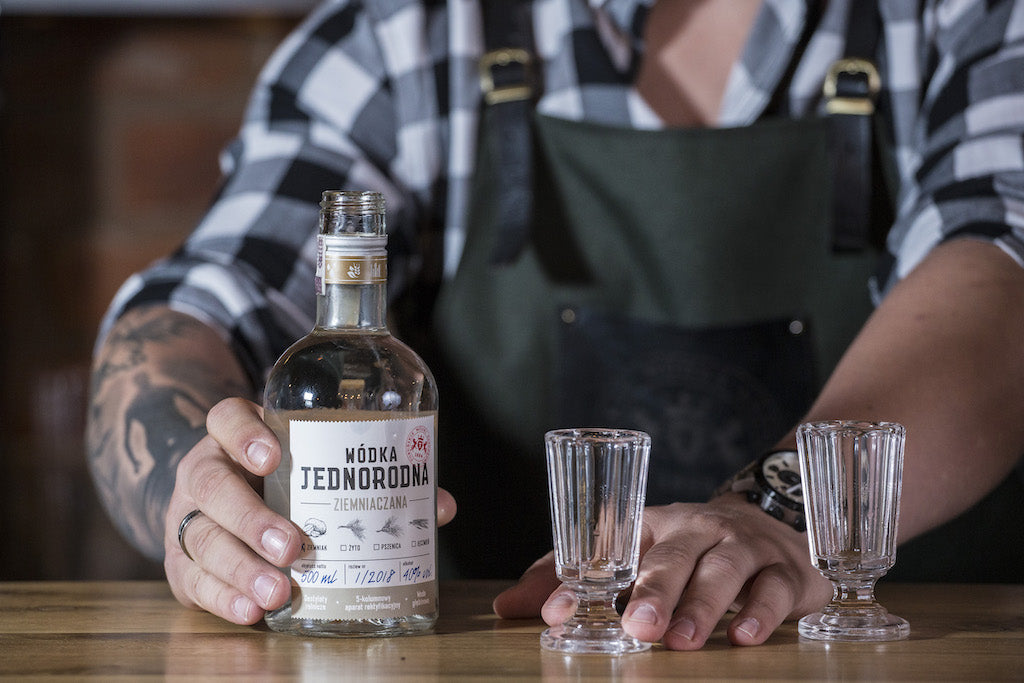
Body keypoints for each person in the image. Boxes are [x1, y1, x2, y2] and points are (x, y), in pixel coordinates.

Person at [87, 0, 1024, 650]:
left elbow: (1003, 269)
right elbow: (203, 302)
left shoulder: (961, 19)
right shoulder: (402, 38)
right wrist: (196, 480)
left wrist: (782, 513)